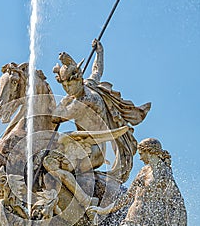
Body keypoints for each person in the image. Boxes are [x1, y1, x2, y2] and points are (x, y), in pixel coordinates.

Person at [52, 40, 151, 182]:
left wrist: (64, 101)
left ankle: (83, 198)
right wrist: (100, 52)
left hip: (93, 149)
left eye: (70, 84)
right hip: (82, 143)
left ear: (78, 78)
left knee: (57, 165)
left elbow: (55, 117)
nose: (67, 89)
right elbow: (97, 71)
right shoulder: (89, 84)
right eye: (64, 85)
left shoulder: (84, 101)